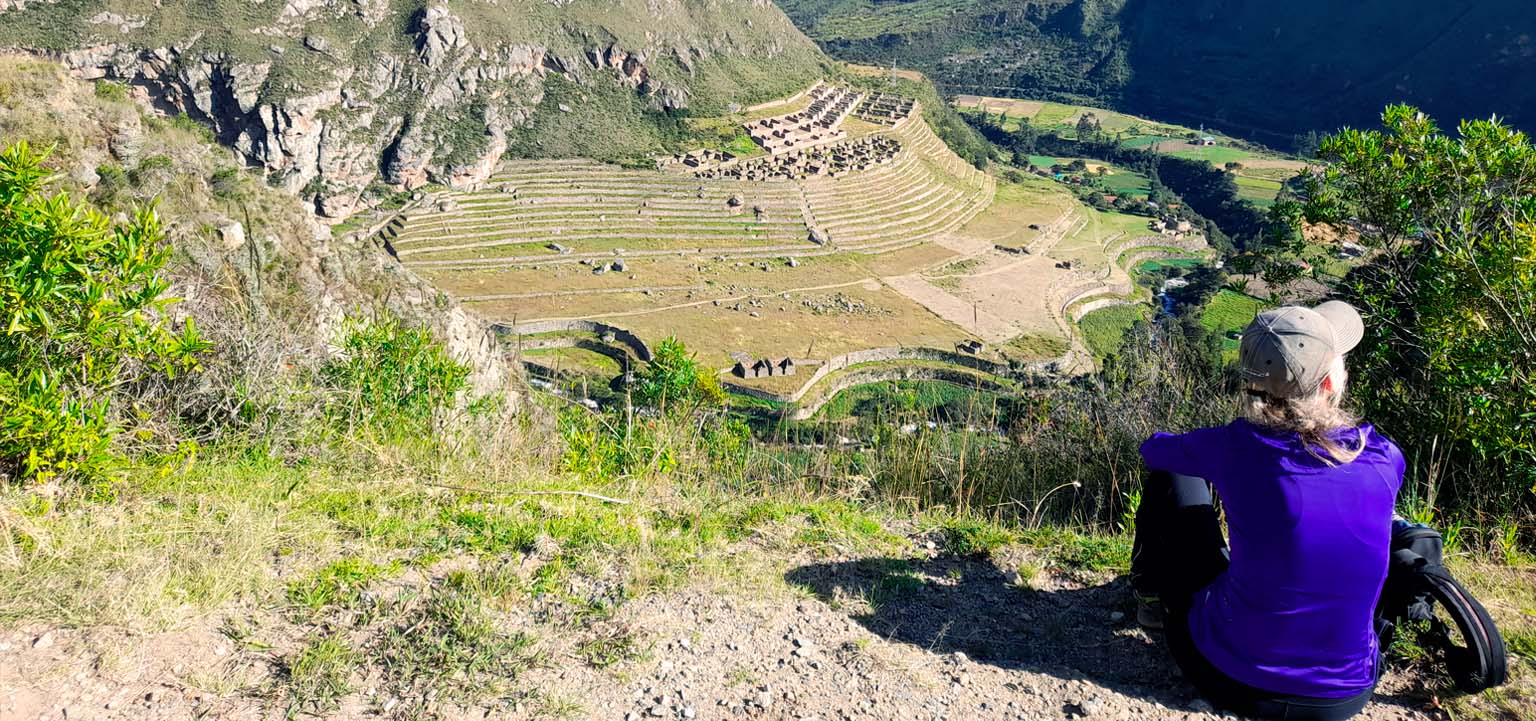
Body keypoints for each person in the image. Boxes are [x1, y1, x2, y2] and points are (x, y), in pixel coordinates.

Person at [1130, 301, 1405, 721]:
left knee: (1173, 474)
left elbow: (1153, 450)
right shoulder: (1382, 457)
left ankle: (1150, 595)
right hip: (1344, 697)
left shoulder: (1234, 447)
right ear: (1330, 382)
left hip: (1231, 678)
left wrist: (1212, 461)